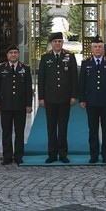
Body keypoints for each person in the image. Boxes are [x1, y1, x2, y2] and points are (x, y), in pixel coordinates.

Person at [37, 31, 78, 163]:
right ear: (51, 44)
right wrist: (41, 97)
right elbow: (41, 79)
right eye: (55, 41)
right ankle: (52, 154)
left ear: (62, 42)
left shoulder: (69, 57)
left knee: (63, 127)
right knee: (51, 127)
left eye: (59, 41)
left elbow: (74, 78)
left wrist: (73, 96)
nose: (57, 43)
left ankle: (63, 154)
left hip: (65, 98)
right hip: (50, 98)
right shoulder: (45, 58)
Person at [79, 36, 106, 164]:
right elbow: (82, 83)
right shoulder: (86, 63)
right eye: (95, 47)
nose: (97, 49)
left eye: (100, 47)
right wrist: (82, 99)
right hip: (91, 102)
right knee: (93, 129)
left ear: (103, 48)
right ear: (92, 49)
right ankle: (94, 154)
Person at [0, 43, 33, 165]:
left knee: (19, 132)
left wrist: (29, 104)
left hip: (20, 105)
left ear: (18, 54)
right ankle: (7, 156)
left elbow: (28, 88)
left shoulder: (25, 68)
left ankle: (18, 156)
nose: (13, 55)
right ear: (7, 55)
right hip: (5, 105)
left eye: (15, 53)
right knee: (6, 131)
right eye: (11, 53)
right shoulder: (0, 68)